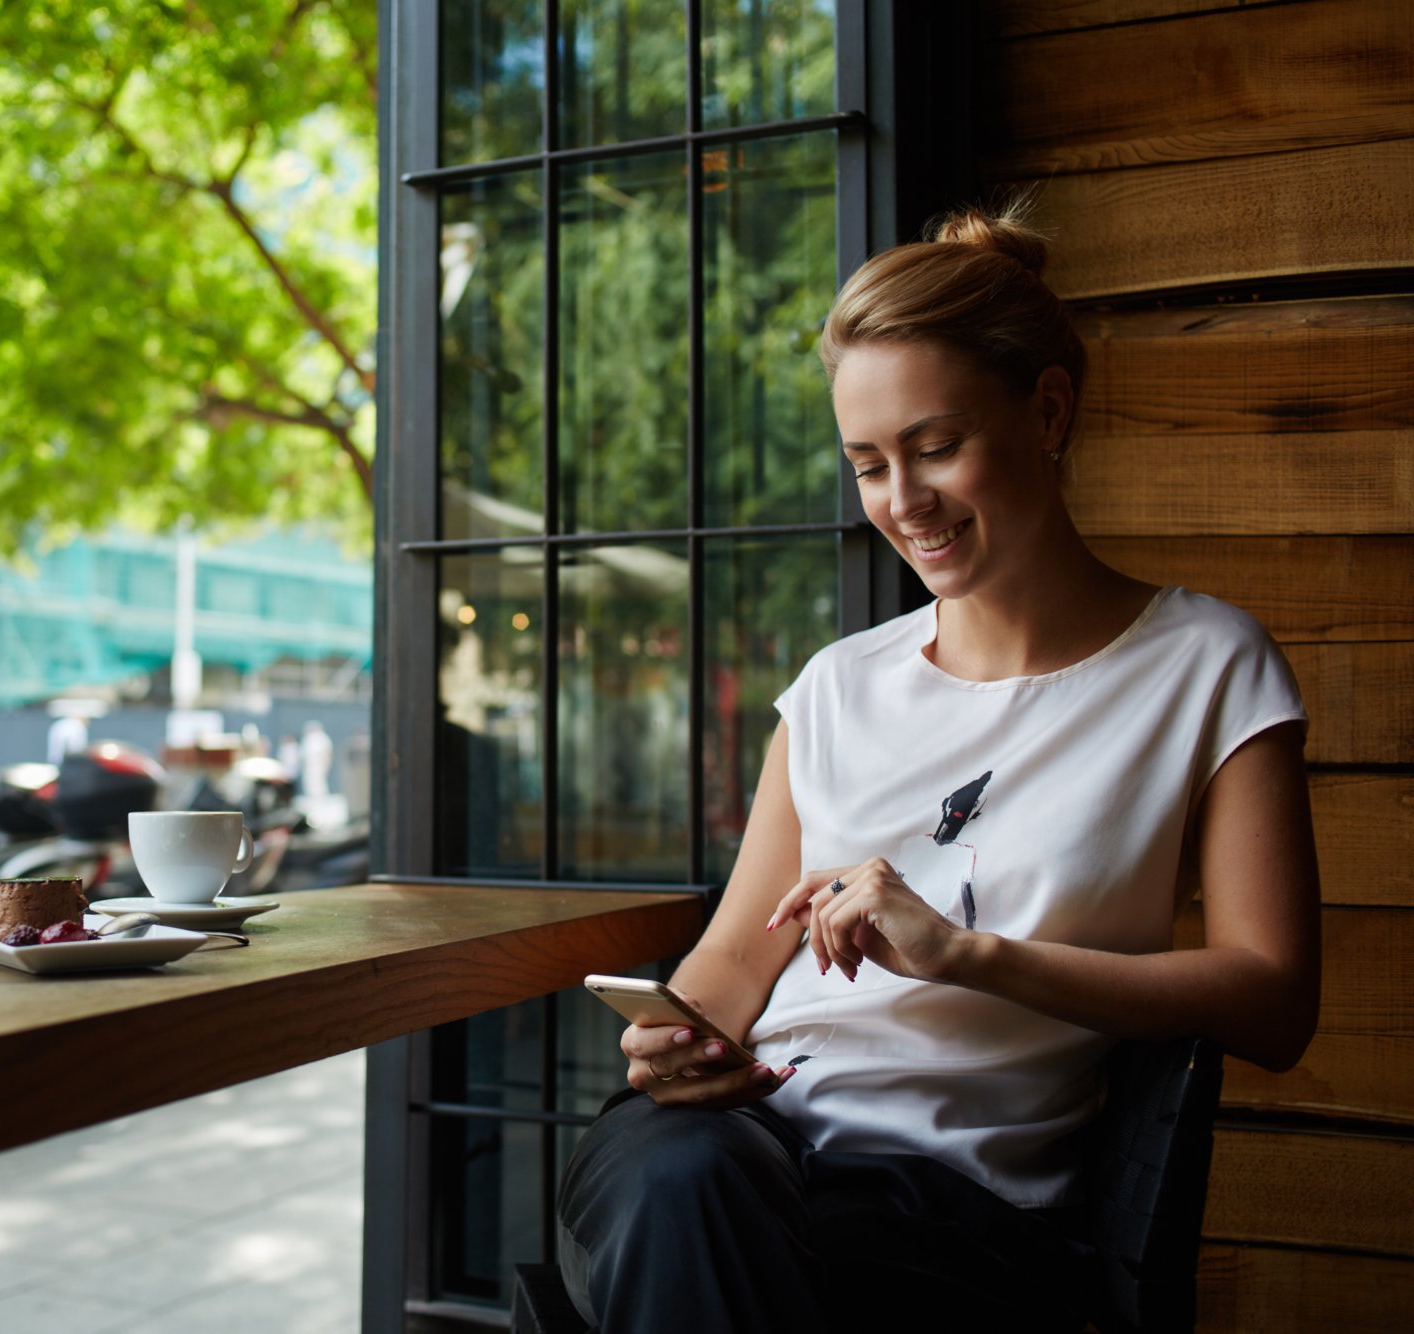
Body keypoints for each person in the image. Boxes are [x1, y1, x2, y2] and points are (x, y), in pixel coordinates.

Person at [555, 202, 1320, 1332]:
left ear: (1046, 409)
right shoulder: (833, 686)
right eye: (866, 463)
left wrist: (966, 953)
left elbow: (1272, 995)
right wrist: (676, 1044)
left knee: (710, 1233)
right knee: (682, 1179)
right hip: (733, 1147)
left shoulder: (1202, 664)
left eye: (934, 445)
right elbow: (734, 953)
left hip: (957, 1208)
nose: (900, 501)